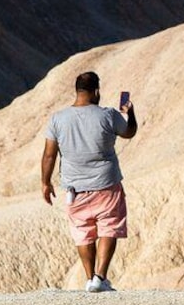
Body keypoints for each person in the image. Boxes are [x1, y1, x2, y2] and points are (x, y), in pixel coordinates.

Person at [41, 71, 137, 292]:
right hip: (107, 184)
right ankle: (100, 277)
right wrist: (130, 113)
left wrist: (45, 183)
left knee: (83, 231)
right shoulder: (109, 115)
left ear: (77, 91)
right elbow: (129, 132)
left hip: (74, 189)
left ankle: (88, 278)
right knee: (109, 227)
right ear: (96, 91)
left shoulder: (57, 119)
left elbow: (49, 154)